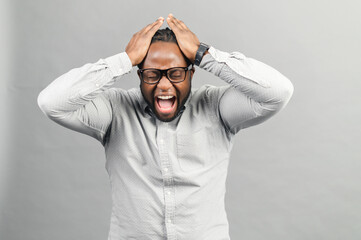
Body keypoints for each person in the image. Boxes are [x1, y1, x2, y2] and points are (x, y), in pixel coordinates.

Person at [37, 13, 294, 240]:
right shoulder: (115, 111)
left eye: (175, 73)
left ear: (191, 74)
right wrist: (124, 60)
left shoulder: (217, 107)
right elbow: (51, 102)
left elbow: (279, 92)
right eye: (152, 74)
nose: (163, 85)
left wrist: (204, 54)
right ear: (139, 75)